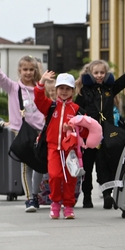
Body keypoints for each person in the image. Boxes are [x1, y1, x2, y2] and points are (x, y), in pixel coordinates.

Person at [74, 45, 125, 209]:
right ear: (90, 74)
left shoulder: (110, 89)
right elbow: (76, 110)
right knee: (87, 167)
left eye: (102, 73)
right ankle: (87, 197)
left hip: (106, 133)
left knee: (106, 165)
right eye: (96, 73)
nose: (99, 76)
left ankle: (108, 195)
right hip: (89, 135)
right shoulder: (84, 92)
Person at [0, 46, 46, 213]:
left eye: (31, 69)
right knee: (27, 165)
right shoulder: (14, 88)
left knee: (40, 164)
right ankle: (30, 198)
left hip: (40, 131)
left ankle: (36, 193)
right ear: (19, 71)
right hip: (21, 132)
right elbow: (0, 78)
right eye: (24, 69)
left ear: (35, 71)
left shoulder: (40, 88)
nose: (28, 72)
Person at [33, 71, 86, 219]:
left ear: (73, 91)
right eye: (61, 88)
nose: (64, 92)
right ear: (56, 90)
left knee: (70, 178)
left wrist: (74, 128)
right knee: (55, 176)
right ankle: (55, 202)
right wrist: (41, 82)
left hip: (71, 151)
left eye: (67, 89)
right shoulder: (50, 106)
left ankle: (68, 206)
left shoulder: (76, 109)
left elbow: (86, 129)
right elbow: (38, 99)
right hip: (53, 148)